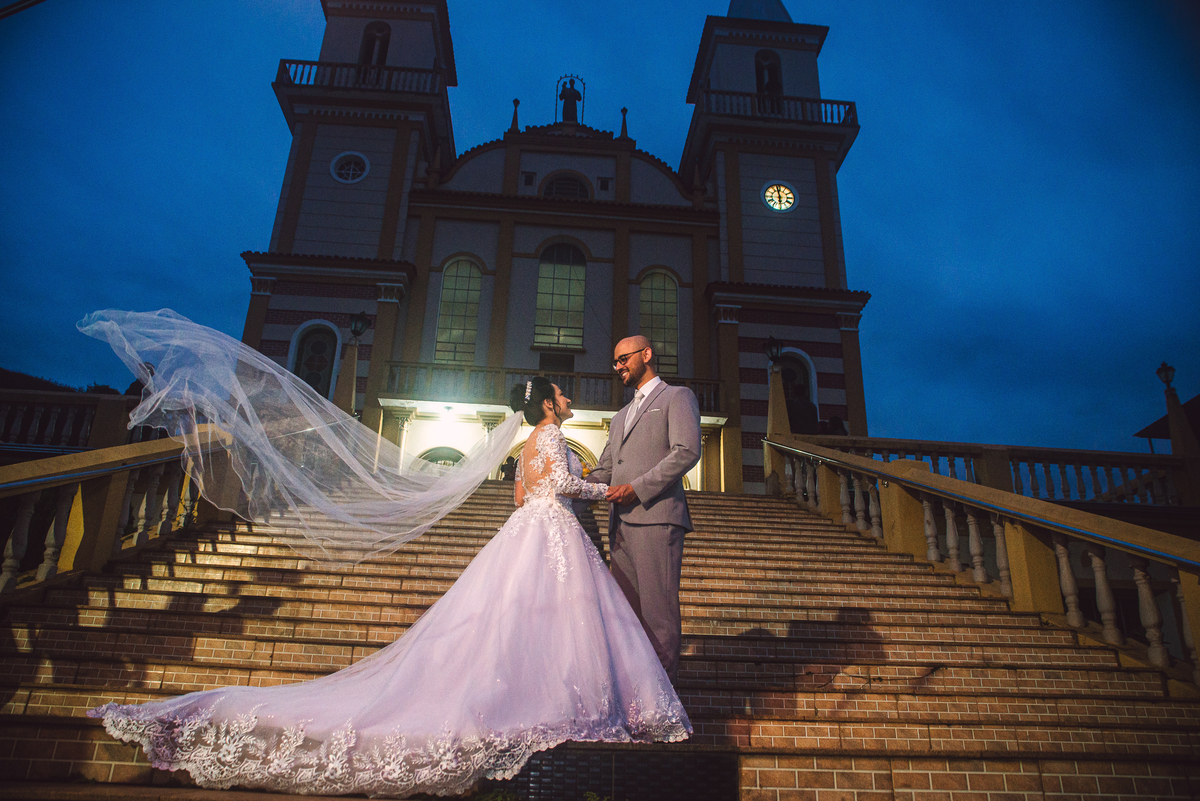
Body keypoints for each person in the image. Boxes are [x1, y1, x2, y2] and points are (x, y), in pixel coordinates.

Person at [79, 313, 690, 797]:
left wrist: (586, 493)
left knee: (528, 623)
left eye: (620, 358)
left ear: (645, 358)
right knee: (559, 623)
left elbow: (524, 493)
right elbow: (560, 487)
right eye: (563, 390)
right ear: (550, 405)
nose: (583, 383)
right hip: (557, 529)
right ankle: (583, 706)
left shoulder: (539, 438)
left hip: (542, 532)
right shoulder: (554, 436)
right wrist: (603, 488)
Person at [588, 336, 701, 683]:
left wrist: (637, 489)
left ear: (647, 354)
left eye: (624, 359)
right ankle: (637, 694)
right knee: (625, 616)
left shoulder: (677, 397)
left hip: (657, 518)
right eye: (616, 362)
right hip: (619, 527)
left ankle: (663, 701)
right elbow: (607, 469)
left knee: (658, 615)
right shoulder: (620, 416)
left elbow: (686, 451)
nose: (618, 366)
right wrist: (565, 483)